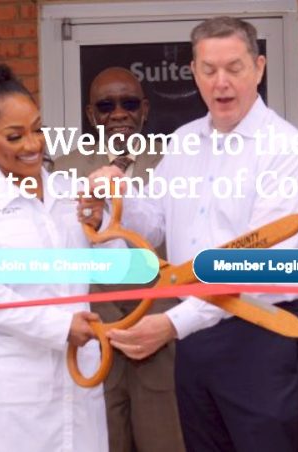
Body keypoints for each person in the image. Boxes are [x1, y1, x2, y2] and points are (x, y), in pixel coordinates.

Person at [87, 16, 298, 452]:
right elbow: (153, 221)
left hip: (261, 336)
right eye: (209, 70)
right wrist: (113, 202)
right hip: (195, 337)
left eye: (234, 67)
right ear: (193, 73)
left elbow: (257, 264)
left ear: (260, 67)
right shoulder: (181, 142)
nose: (222, 82)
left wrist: (173, 323)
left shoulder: (289, 149)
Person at [0, 62, 110, 452]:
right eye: (15, 136)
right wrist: (61, 326)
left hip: (77, 379)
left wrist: (102, 223)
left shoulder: (69, 191)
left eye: (38, 129)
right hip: (4, 391)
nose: (33, 145)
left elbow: (112, 264)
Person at [53, 67, 185, 452]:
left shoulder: (172, 164)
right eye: (106, 105)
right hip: (95, 333)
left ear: (144, 109)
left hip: (159, 329)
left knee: (166, 442)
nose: (118, 113)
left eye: (128, 103)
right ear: (91, 115)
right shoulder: (62, 171)